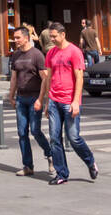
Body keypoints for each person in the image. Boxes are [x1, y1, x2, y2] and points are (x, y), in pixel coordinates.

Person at [38, 21, 98, 185]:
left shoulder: (74, 52)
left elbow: (79, 78)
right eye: (50, 37)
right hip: (54, 101)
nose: (52, 39)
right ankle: (62, 173)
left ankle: (90, 161)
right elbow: (49, 77)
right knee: (54, 139)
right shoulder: (51, 53)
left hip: (69, 101)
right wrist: (47, 102)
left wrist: (76, 101)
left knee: (73, 138)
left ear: (63, 35)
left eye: (54, 36)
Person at [8, 24, 53, 176]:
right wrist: (11, 95)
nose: (15, 40)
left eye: (18, 38)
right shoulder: (15, 56)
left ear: (26, 38)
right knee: (22, 133)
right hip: (21, 98)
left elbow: (45, 78)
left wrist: (42, 99)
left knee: (35, 130)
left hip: (35, 98)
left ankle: (50, 153)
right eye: (14, 38)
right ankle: (28, 166)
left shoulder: (37, 55)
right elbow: (14, 77)